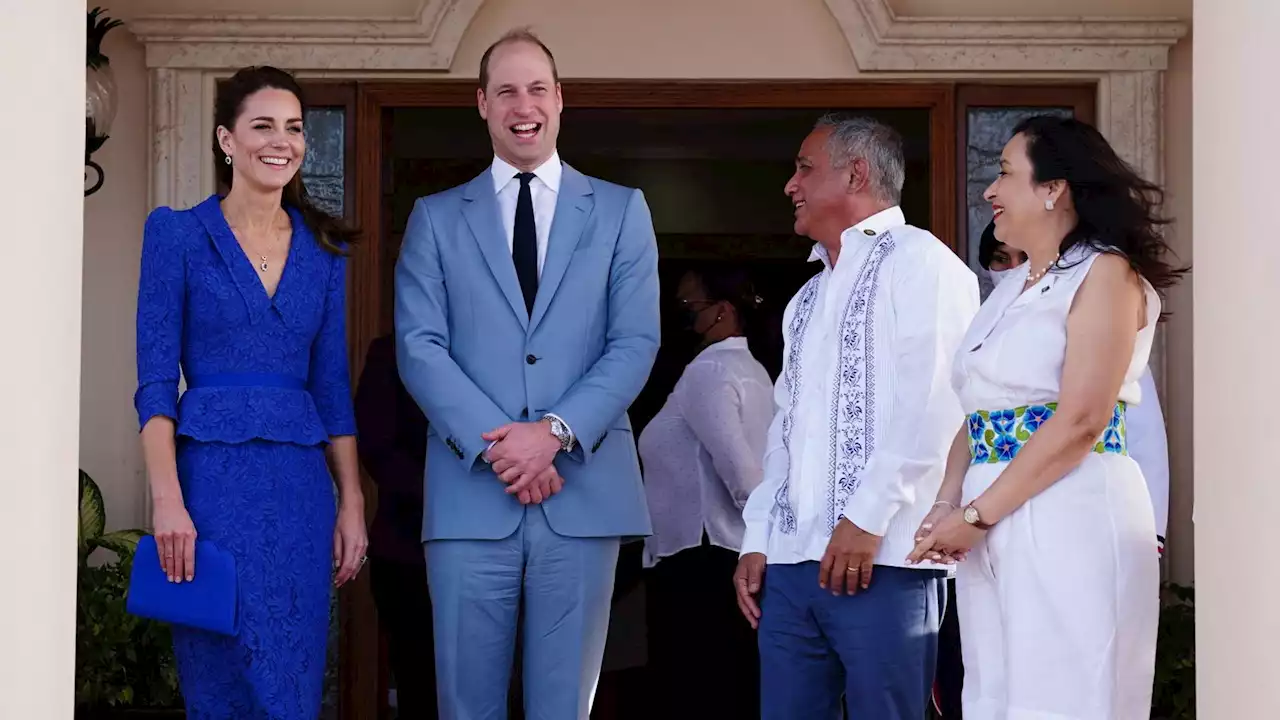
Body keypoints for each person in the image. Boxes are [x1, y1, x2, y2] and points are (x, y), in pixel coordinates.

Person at [393, 28, 660, 720]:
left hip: (583, 492)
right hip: (470, 496)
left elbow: (634, 342)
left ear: (561, 99)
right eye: (506, 90)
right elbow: (419, 347)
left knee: (563, 708)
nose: (524, 104)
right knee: (465, 705)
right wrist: (504, 446)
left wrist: (554, 433)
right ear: (481, 104)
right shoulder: (435, 218)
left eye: (538, 88)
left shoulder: (621, 210)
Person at [909, 115, 1185, 719]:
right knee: (994, 694)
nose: (990, 190)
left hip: (1070, 505)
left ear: (1053, 188)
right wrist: (946, 503)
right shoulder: (1010, 288)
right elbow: (978, 410)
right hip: (993, 511)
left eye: (1005, 173)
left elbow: (1082, 418)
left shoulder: (1105, 273)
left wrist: (977, 516)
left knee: (1066, 691)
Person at [134, 65, 366, 719]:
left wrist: (350, 502)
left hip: (299, 497)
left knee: (291, 688)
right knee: (218, 682)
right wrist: (167, 501)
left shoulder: (323, 256)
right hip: (209, 493)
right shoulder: (176, 234)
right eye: (262, 125)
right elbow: (153, 384)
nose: (281, 141)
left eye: (293, 128)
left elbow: (331, 390)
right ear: (226, 140)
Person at [733, 114, 980, 719]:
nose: (791, 185)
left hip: (888, 560)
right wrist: (759, 537)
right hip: (791, 568)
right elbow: (783, 429)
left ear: (856, 172)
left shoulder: (925, 263)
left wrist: (867, 519)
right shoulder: (807, 297)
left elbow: (937, 406)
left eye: (804, 168)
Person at [639, 265, 774, 720]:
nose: (681, 316)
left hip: (702, 558)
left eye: (688, 306)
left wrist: (762, 535)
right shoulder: (754, 370)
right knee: (731, 686)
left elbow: (740, 468)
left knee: (697, 689)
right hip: (731, 555)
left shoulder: (708, 370)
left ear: (722, 312)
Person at [354, 334, 438, 720]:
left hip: (502, 549)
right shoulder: (391, 351)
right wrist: (448, 500)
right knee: (420, 691)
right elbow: (376, 445)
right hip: (410, 553)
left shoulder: (505, 346)